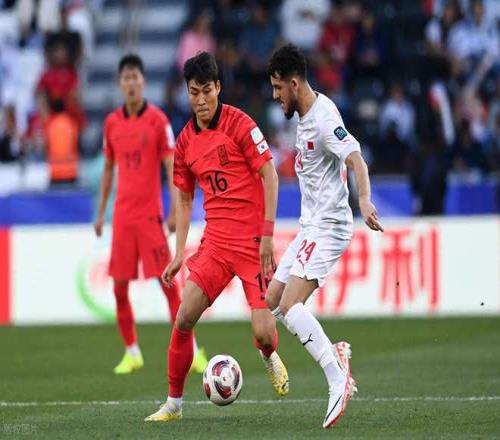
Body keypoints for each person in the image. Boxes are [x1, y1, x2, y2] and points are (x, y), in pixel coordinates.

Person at [145, 52, 288, 422]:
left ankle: (268, 354)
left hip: (253, 245)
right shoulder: (184, 143)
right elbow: (184, 197)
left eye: (207, 91)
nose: (201, 100)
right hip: (216, 245)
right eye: (194, 93)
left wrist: (268, 235)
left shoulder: (240, 124)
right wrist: (179, 253)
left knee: (264, 333)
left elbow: (270, 176)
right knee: (184, 317)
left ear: (218, 88)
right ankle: (173, 405)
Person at [265, 44, 384, 429]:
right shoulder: (303, 116)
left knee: (292, 305)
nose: (275, 95)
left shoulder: (323, 117)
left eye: (278, 88)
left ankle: (337, 378)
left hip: (330, 226)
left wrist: (363, 199)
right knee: (272, 301)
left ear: (294, 84)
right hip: (310, 226)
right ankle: (335, 353)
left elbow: (356, 158)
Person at [94, 54, 207, 375]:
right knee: (118, 288)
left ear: (143, 81)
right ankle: (132, 352)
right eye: (126, 78)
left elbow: (172, 166)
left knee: (168, 283)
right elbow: (108, 169)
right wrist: (100, 213)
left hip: (149, 216)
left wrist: (173, 209)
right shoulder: (111, 123)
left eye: (135, 77)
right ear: (120, 84)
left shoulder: (157, 121)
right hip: (122, 216)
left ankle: (193, 350)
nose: (131, 83)